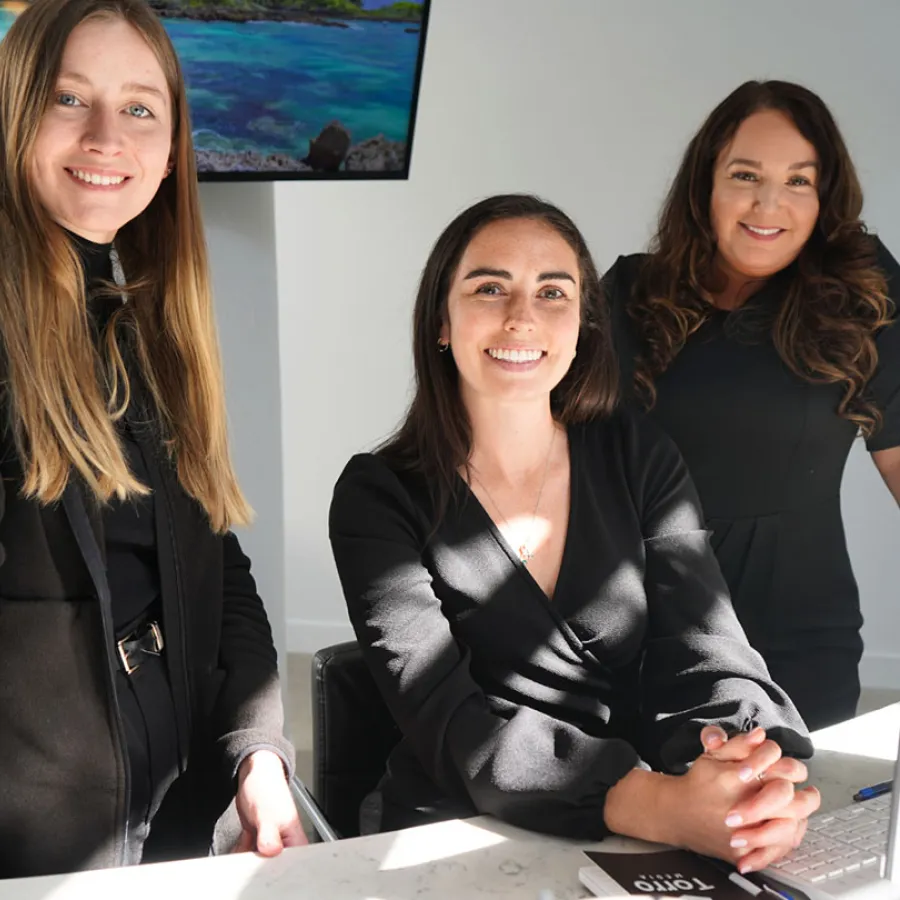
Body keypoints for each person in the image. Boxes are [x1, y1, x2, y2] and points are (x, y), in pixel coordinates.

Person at [329, 194, 820, 873]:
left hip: (626, 827)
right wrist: (653, 803)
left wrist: (748, 770)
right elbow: (451, 722)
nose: (521, 316)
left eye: (552, 292)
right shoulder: (377, 496)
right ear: (442, 319)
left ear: (584, 324)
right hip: (453, 834)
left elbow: (707, 644)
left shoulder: (636, 454)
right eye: (489, 287)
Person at [0, 0, 303, 878]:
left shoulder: (142, 325)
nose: (107, 136)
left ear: (172, 152)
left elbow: (215, 561)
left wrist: (259, 752)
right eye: (68, 99)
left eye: (139, 108)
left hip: (170, 826)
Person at [603, 80, 900, 731]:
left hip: (794, 642)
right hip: (640, 632)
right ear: (704, 184)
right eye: (746, 175)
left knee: (784, 831)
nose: (771, 203)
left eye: (800, 180)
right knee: (633, 829)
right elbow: (557, 460)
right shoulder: (630, 292)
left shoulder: (864, 291)